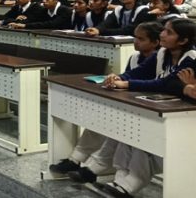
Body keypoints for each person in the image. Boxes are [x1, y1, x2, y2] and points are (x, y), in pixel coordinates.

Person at [49, 22, 163, 183]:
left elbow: (147, 82)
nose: (135, 41)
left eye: (141, 39)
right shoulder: (134, 57)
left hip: (146, 107)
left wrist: (123, 82)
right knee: (100, 119)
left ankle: (96, 167)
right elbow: (127, 76)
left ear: (155, 42)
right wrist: (116, 79)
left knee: (117, 125)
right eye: (135, 37)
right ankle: (76, 159)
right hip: (129, 102)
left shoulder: (159, 59)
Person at [96, 19, 196, 197]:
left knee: (146, 136)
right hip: (167, 108)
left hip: (186, 116)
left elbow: (165, 83)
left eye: (169, 32)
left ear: (183, 40)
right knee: (130, 130)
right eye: (163, 30)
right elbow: (140, 72)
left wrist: (126, 84)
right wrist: (118, 76)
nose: (162, 34)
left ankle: (132, 182)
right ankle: (121, 179)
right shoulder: (162, 53)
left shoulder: (192, 58)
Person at [86, 0, 155, 37]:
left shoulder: (144, 10)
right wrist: (96, 29)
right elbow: (106, 23)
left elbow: (129, 31)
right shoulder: (118, 10)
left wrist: (101, 31)